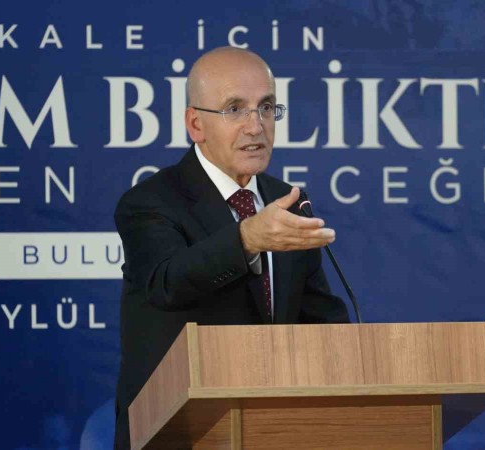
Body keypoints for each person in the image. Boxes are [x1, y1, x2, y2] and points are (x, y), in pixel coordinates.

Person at [112, 47, 350, 450]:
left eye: (266, 107)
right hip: (178, 431)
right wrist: (246, 239)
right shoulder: (150, 202)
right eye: (235, 109)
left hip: (275, 430)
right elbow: (167, 282)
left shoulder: (286, 200)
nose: (256, 126)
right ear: (196, 124)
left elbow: (318, 320)